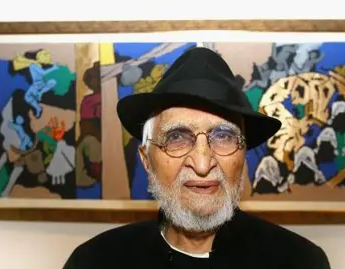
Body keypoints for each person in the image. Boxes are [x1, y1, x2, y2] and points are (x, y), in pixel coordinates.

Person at [62, 47, 331, 269]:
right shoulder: (94, 262)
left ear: (243, 156)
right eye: (176, 138)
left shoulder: (300, 262)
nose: (202, 165)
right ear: (146, 159)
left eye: (224, 136)